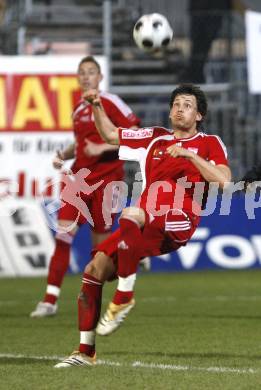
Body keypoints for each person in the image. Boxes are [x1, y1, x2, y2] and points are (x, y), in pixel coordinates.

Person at [54, 83, 231, 367]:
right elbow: (110, 134)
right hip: (146, 224)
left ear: (199, 115)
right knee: (93, 270)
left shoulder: (210, 142)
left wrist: (190, 155)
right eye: (175, 104)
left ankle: (125, 295)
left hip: (180, 219)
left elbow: (224, 182)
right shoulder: (154, 138)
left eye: (187, 105)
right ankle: (85, 352)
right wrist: (97, 105)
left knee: (132, 213)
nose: (179, 109)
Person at [30, 56, 140, 318]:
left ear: (100, 77)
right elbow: (80, 145)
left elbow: (135, 133)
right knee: (62, 236)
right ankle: (49, 300)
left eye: (91, 72)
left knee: (99, 254)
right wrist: (63, 154)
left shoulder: (110, 101)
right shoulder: (78, 109)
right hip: (78, 182)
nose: (86, 76)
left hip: (107, 183)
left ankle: (128, 260)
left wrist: (102, 147)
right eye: (82, 73)